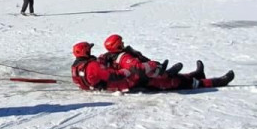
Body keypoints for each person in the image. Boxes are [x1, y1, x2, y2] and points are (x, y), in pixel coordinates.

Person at [71, 41, 234, 92]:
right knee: (176, 82)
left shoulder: (76, 68)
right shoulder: (95, 65)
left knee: (169, 77)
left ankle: (195, 74)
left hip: (114, 85)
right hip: (128, 83)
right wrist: (151, 67)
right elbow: (120, 75)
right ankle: (213, 82)